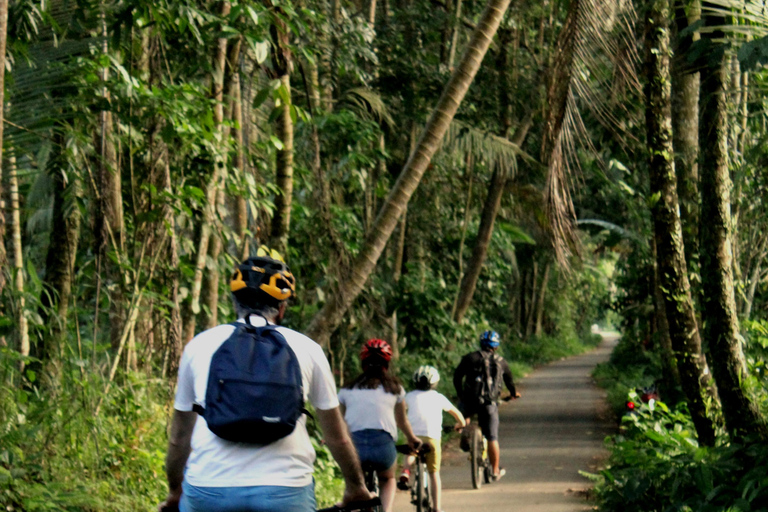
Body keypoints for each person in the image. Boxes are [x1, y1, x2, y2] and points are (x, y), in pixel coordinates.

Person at [159, 250, 372, 512]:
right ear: (282, 308)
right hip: (285, 490)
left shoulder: (199, 346)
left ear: (235, 302)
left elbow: (180, 437)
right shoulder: (308, 349)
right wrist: (355, 486)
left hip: (209, 489)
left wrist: (175, 491)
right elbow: (337, 438)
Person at [338, 339, 422, 512]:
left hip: (355, 448)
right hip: (383, 446)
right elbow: (402, 421)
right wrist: (412, 439)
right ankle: (386, 510)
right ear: (387, 365)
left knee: (356, 483)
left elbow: (340, 422)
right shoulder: (395, 389)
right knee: (388, 478)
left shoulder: (346, 390)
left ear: (363, 364)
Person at [452, 330, 520, 481]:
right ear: (496, 346)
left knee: (465, 414)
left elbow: (457, 376)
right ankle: (495, 470)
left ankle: (465, 434)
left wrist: (460, 394)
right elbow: (510, 382)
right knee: (492, 437)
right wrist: (514, 394)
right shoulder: (502, 362)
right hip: (490, 403)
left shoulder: (470, 357)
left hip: (469, 401)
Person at [398, 365, 465, 512]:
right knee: (434, 473)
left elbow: (399, 412)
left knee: (411, 452)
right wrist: (461, 424)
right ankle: (437, 508)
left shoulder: (408, 396)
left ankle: (405, 471)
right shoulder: (439, 397)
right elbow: (457, 414)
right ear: (434, 383)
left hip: (413, 435)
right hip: (432, 438)